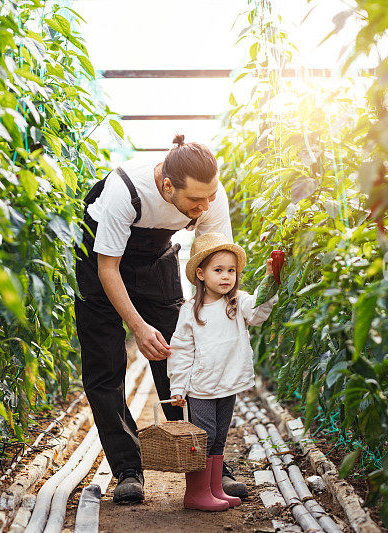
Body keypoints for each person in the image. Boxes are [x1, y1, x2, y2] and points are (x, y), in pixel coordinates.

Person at [74, 135, 248, 503]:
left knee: (179, 354)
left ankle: (205, 464)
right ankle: (127, 468)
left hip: (156, 260)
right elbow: (109, 268)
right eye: (195, 201)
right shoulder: (125, 190)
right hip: (100, 263)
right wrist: (137, 326)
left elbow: (217, 262)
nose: (205, 206)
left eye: (210, 196)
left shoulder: (209, 198)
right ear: (167, 187)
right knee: (104, 366)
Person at [168, 232, 279, 511]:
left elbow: (258, 312)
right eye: (219, 270)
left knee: (219, 435)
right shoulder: (191, 310)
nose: (227, 276)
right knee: (203, 436)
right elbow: (181, 351)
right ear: (201, 274)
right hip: (202, 386)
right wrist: (177, 387)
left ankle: (214, 488)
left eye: (231, 270)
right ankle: (195, 494)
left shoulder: (237, 302)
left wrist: (270, 280)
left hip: (227, 383)